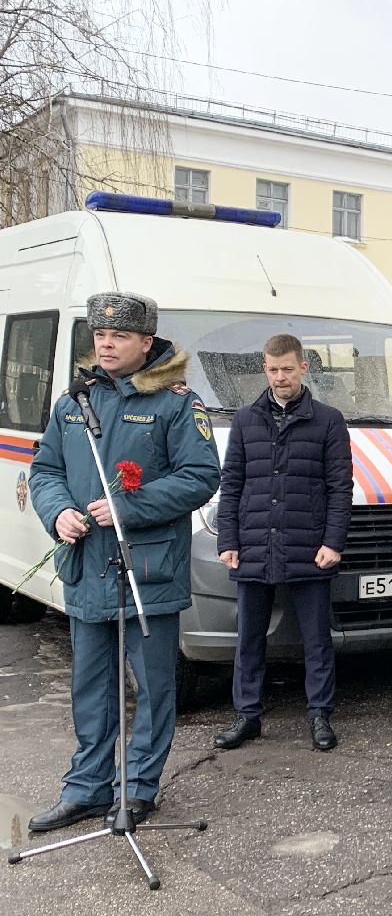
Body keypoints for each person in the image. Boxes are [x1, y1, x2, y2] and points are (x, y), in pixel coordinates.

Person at [28, 292, 221, 832]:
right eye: (100, 335)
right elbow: (46, 470)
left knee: (154, 688)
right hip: (86, 566)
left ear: (145, 341)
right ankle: (87, 788)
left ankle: (138, 789)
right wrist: (58, 512)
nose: (107, 344)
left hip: (146, 571)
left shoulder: (177, 403)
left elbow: (201, 476)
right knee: (91, 688)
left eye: (119, 336)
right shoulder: (75, 401)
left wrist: (127, 507)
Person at [213, 334, 353, 754]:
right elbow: (231, 484)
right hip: (254, 542)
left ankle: (320, 715)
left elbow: (340, 488)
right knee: (249, 639)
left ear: (303, 368)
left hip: (310, 545)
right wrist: (228, 539)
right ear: (264, 369)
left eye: (287, 369)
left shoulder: (329, 420)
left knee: (316, 639)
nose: (280, 378)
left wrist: (333, 541)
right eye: (273, 370)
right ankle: (247, 716)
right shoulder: (244, 420)